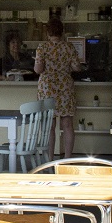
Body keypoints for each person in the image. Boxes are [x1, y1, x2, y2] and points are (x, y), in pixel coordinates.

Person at [35, 19, 82, 158]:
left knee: (50, 125)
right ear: (62, 32)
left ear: (47, 32)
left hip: (47, 87)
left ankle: (50, 158)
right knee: (67, 124)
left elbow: (38, 69)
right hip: (65, 87)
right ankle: (67, 158)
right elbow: (77, 67)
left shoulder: (42, 48)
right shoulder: (69, 47)